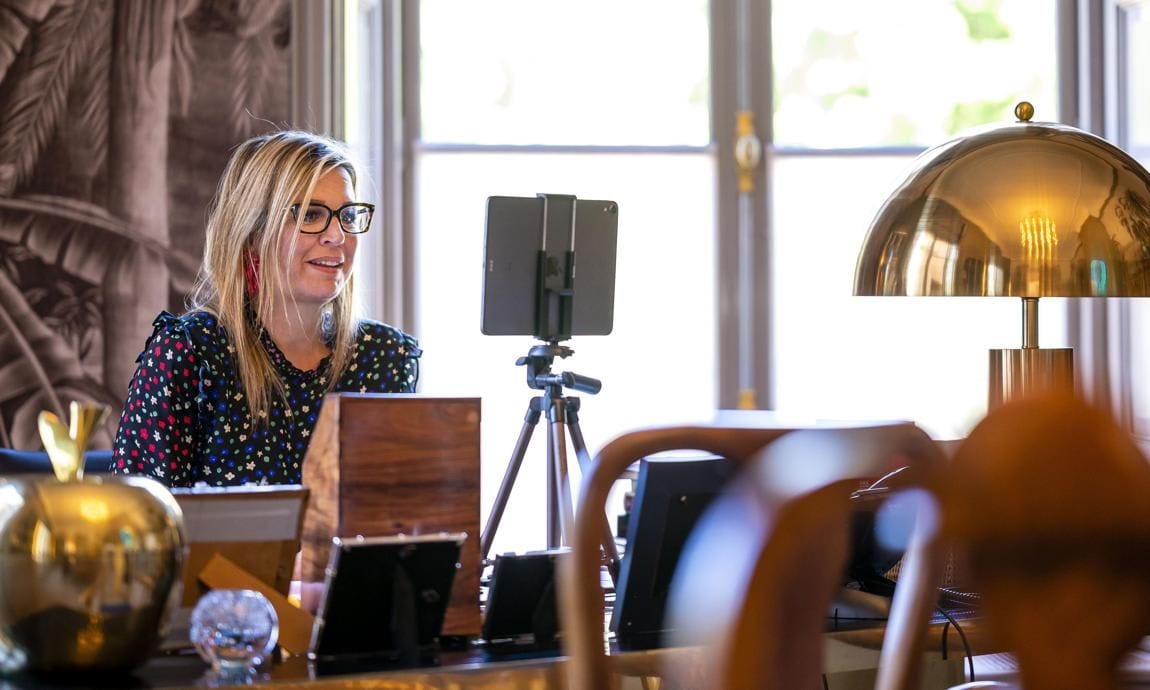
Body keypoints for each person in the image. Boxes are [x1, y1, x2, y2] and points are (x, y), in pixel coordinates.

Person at [112, 131, 420, 487]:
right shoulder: (191, 354)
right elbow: (140, 525)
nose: (338, 236)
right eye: (310, 214)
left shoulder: (384, 357)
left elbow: (402, 518)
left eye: (348, 217)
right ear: (253, 233)